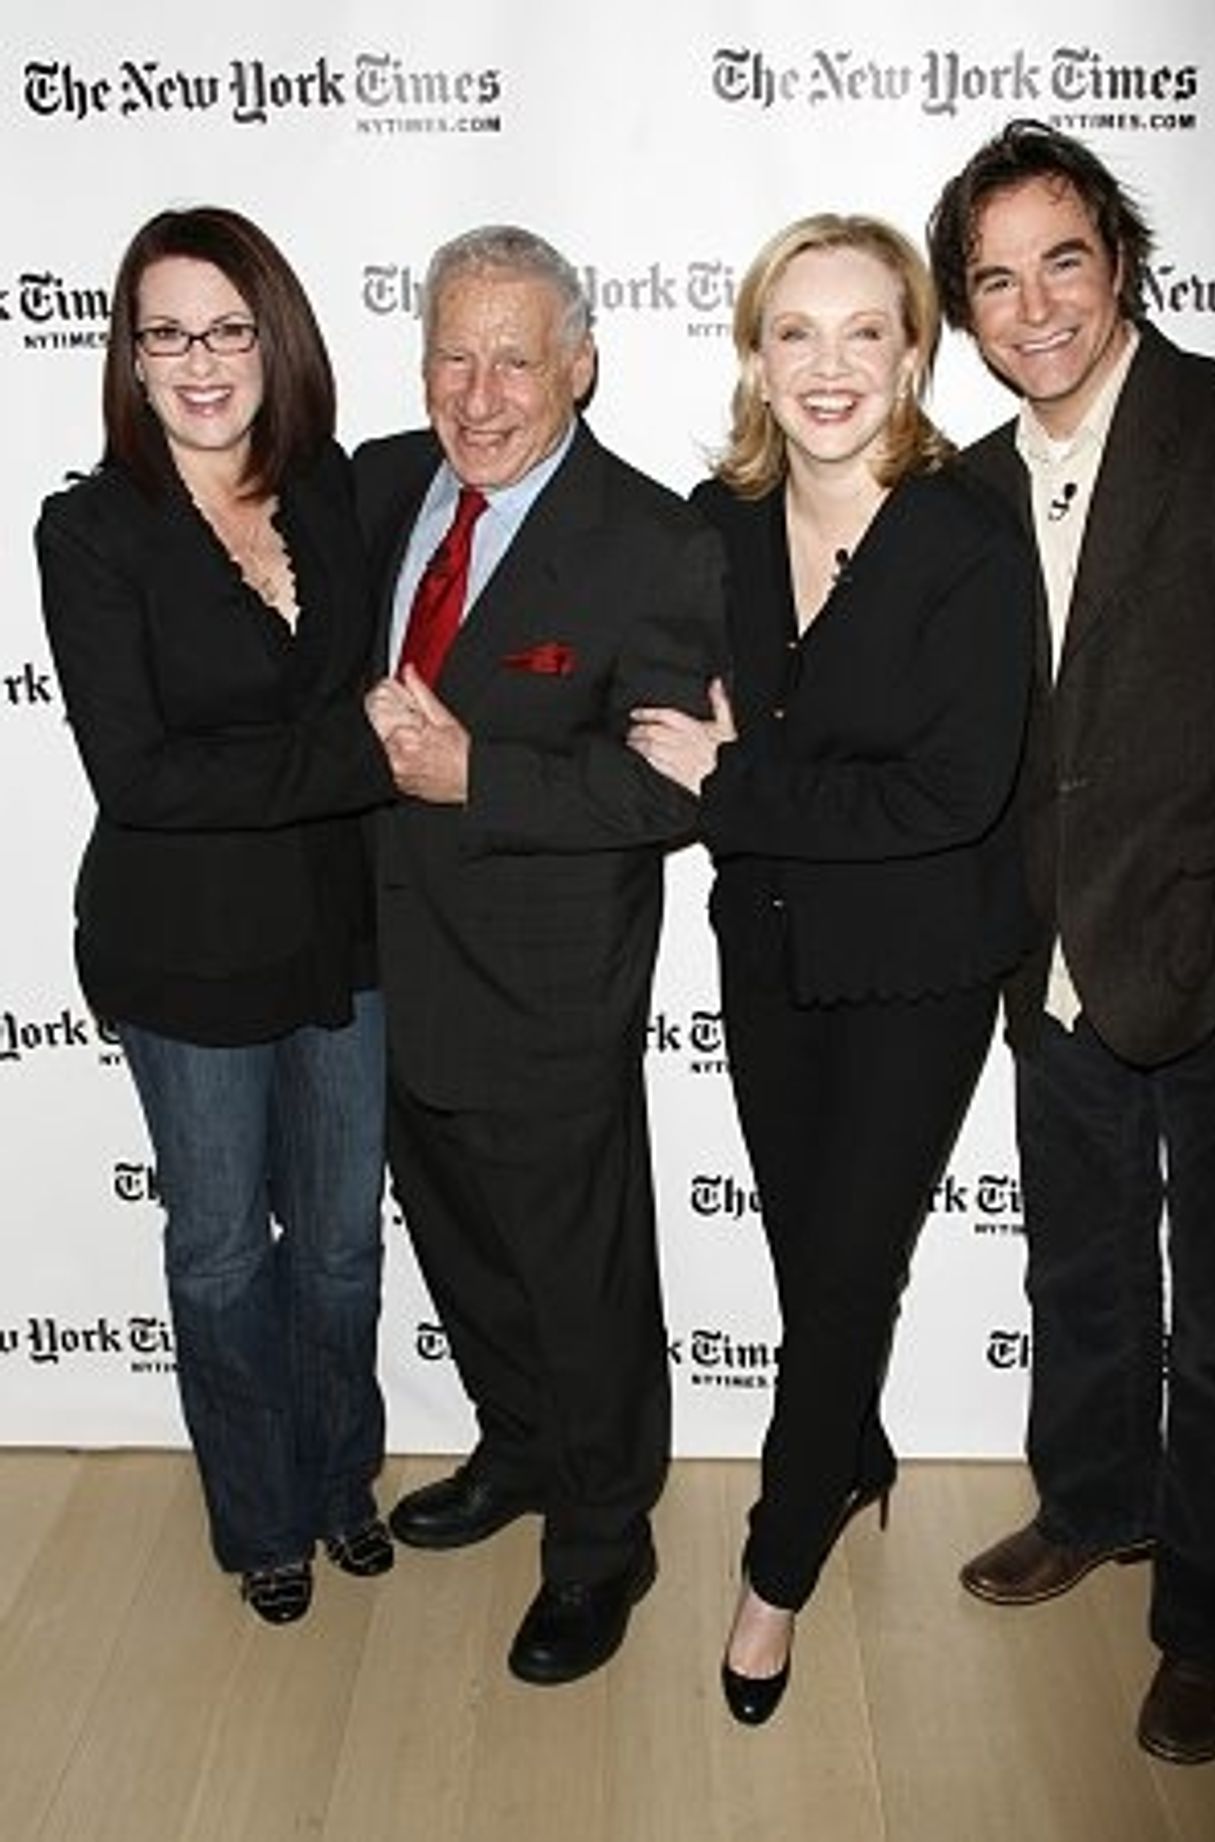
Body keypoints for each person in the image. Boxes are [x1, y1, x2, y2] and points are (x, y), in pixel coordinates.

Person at [927, 120, 1215, 1764]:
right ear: (966, 310)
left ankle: (1214, 1615)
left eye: (1062, 260)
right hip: (1052, 969)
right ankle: (1092, 1499)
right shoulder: (972, 490)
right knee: (1081, 1268)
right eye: (997, 280)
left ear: (1119, 260)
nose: (1035, 306)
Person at [626, 214, 1036, 1724]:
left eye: (868, 331)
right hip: (771, 950)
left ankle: (776, 1567)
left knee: (850, 1266)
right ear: (753, 356)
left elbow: (951, 797)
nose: (830, 366)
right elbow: (663, 725)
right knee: (814, 1255)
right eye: (796, 331)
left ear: (915, 355)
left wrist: (746, 781)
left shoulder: (965, 538)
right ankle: (851, 1449)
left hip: (919, 968)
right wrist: (732, 775)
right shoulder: (714, 526)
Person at [356, 225, 726, 1686]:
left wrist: (483, 780)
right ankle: (517, 1449)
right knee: (461, 1251)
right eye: (453, 355)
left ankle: (602, 1538)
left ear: (581, 364)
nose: (480, 394)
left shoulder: (653, 540)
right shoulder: (381, 484)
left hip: (550, 995)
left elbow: (669, 789)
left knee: (581, 1283)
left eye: (515, 359)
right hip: (390, 972)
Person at [35, 207, 399, 1625]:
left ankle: (342, 1477)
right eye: (167, 333)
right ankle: (261, 1516)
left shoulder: (331, 491)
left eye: (228, 329)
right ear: (130, 357)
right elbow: (142, 778)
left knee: (343, 1244)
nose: (200, 361)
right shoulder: (91, 531)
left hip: (339, 932)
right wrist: (353, 751)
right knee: (221, 1250)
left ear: (274, 340)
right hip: (184, 951)